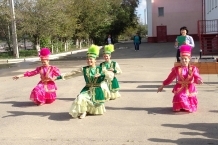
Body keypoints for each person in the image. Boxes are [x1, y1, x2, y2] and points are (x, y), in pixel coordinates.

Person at [56, 44, 113, 119]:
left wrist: (101, 74)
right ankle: (84, 111)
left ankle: (88, 110)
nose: (89, 61)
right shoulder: (84, 69)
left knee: (95, 104)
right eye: (88, 59)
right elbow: (72, 73)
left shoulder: (100, 69)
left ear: (95, 60)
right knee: (81, 97)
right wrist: (57, 77)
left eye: (91, 59)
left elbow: (110, 76)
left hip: (97, 89)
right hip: (87, 88)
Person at [157, 45, 203, 113]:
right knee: (180, 96)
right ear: (180, 59)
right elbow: (170, 78)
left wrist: (199, 80)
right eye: (182, 59)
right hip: (180, 87)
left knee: (186, 97)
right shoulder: (177, 69)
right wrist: (162, 86)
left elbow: (197, 76)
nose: (184, 61)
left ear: (189, 59)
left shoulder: (193, 68)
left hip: (190, 87)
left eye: (185, 59)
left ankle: (187, 106)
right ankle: (182, 106)